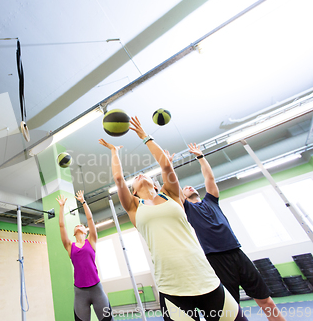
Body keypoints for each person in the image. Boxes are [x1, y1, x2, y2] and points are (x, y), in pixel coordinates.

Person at [99, 116, 247, 321]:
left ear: (157, 184)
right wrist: (115, 152)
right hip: (172, 286)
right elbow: (117, 179)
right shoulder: (134, 207)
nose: (140, 175)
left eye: (145, 175)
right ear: (132, 192)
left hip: (205, 278)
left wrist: (144, 137)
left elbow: (166, 166)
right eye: (135, 179)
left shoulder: (172, 196)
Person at [181, 143, 286, 321]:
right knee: (230, 311)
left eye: (191, 186)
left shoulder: (211, 201)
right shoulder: (187, 209)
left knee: (266, 301)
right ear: (182, 197)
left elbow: (209, 178)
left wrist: (201, 157)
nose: (189, 187)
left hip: (237, 253)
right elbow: (172, 187)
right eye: (185, 188)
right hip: (216, 259)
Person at [57, 191, 114, 321]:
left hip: (97, 289)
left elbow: (90, 219)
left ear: (85, 230)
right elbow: (61, 225)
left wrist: (83, 201)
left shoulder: (91, 241)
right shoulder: (69, 246)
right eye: (76, 226)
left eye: (81, 225)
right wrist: (61, 207)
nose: (78, 225)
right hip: (80, 293)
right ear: (73, 233)